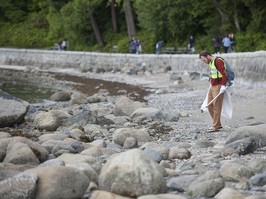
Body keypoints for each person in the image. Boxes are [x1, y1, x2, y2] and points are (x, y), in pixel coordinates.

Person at [199, 51, 228, 132]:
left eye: (204, 60)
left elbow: (224, 74)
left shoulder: (218, 61)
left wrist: (223, 85)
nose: (204, 62)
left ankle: (215, 126)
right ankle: (218, 124)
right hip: (212, 86)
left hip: (218, 86)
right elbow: (213, 74)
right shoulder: (211, 62)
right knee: (209, 105)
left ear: (208, 56)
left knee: (217, 106)